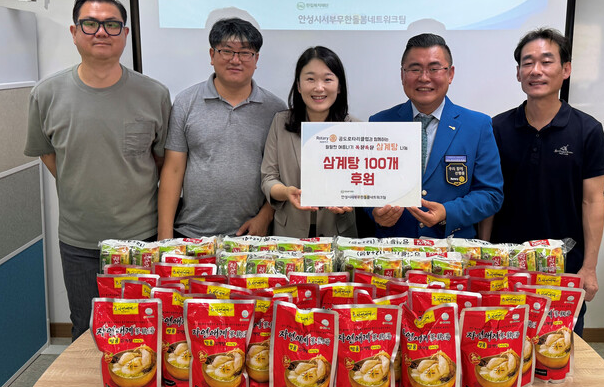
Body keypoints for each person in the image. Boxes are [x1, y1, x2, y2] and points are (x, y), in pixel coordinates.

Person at [24, 0, 171, 340]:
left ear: (125, 34)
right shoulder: (46, 94)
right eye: (90, 24)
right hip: (80, 243)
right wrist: (80, 181)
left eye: (111, 24)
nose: (101, 32)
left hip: (142, 239)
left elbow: (161, 160)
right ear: (74, 32)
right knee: (86, 330)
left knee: (146, 330)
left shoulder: (155, 94)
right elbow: (49, 154)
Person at [480, 27, 604, 336]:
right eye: (527, 63)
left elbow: (593, 201)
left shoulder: (588, 130)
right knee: (501, 347)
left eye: (546, 61)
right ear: (518, 73)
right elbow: (488, 197)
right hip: (505, 267)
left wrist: (589, 267)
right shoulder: (496, 128)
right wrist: (484, 257)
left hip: (563, 269)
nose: (535, 70)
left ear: (566, 69)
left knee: (558, 349)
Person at [158, 18, 286, 239]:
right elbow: (173, 170)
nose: (235, 60)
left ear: (256, 59)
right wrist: (164, 234)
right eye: (227, 51)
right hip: (191, 233)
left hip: (252, 236)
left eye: (245, 53)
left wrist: (265, 217)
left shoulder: (275, 109)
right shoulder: (186, 102)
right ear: (212, 55)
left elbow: (282, 173)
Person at [367, 33, 503, 239]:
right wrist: (375, 212)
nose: (424, 77)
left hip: (453, 250)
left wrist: (448, 213)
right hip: (393, 249)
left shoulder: (478, 125)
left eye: (434, 68)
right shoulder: (379, 123)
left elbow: (490, 194)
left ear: (450, 74)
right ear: (402, 74)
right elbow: (365, 187)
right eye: (415, 69)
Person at [261, 46, 357, 238]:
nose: (319, 88)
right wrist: (286, 192)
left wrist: (350, 199)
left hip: (338, 232)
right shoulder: (280, 123)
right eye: (310, 79)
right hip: (289, 232)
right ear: (298, 85)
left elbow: (364, 183)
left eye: (327, 79)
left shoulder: (355, 128)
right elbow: (268, 178)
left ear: (339, 87)